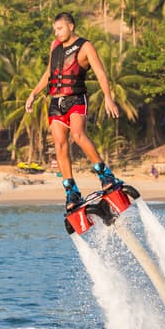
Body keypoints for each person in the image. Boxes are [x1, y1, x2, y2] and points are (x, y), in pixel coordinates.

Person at [25, 11, 123, 211]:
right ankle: (71, 191)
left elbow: (100, 73)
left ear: (71, 26)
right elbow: (48, 73)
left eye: (60, 28)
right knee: (60, 145)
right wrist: (34, 93)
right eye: (55, 30)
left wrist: (108, 97)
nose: (57, 33)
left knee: (78, 135)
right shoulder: (55, 47)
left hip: (76, 99)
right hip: (56, 102)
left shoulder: (85, 47)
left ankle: (104, 174)